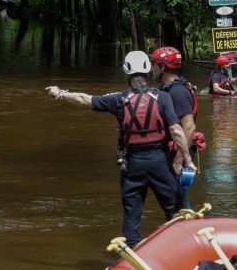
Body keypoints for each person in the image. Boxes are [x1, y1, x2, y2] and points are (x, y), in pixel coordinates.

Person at [45, 50, 196, 248]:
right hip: (160, 161)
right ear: (147, 70)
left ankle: (132, 253)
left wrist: (60, 94)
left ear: (126, 72)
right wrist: (187, 160)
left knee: (132, 213)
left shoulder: (118, 99)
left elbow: (84, 99)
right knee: (173, 208)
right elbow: (177, 131)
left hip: (133, 165)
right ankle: (182, 248)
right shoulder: (163, 97)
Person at [149, 46, 205, 174]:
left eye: (154, 65)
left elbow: (189, 127)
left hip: (177, 153)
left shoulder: (177, 92)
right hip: (171, 149)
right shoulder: (169, 88)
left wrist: (178, 161)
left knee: (174, 193)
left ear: (162, 67)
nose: (152, 69)